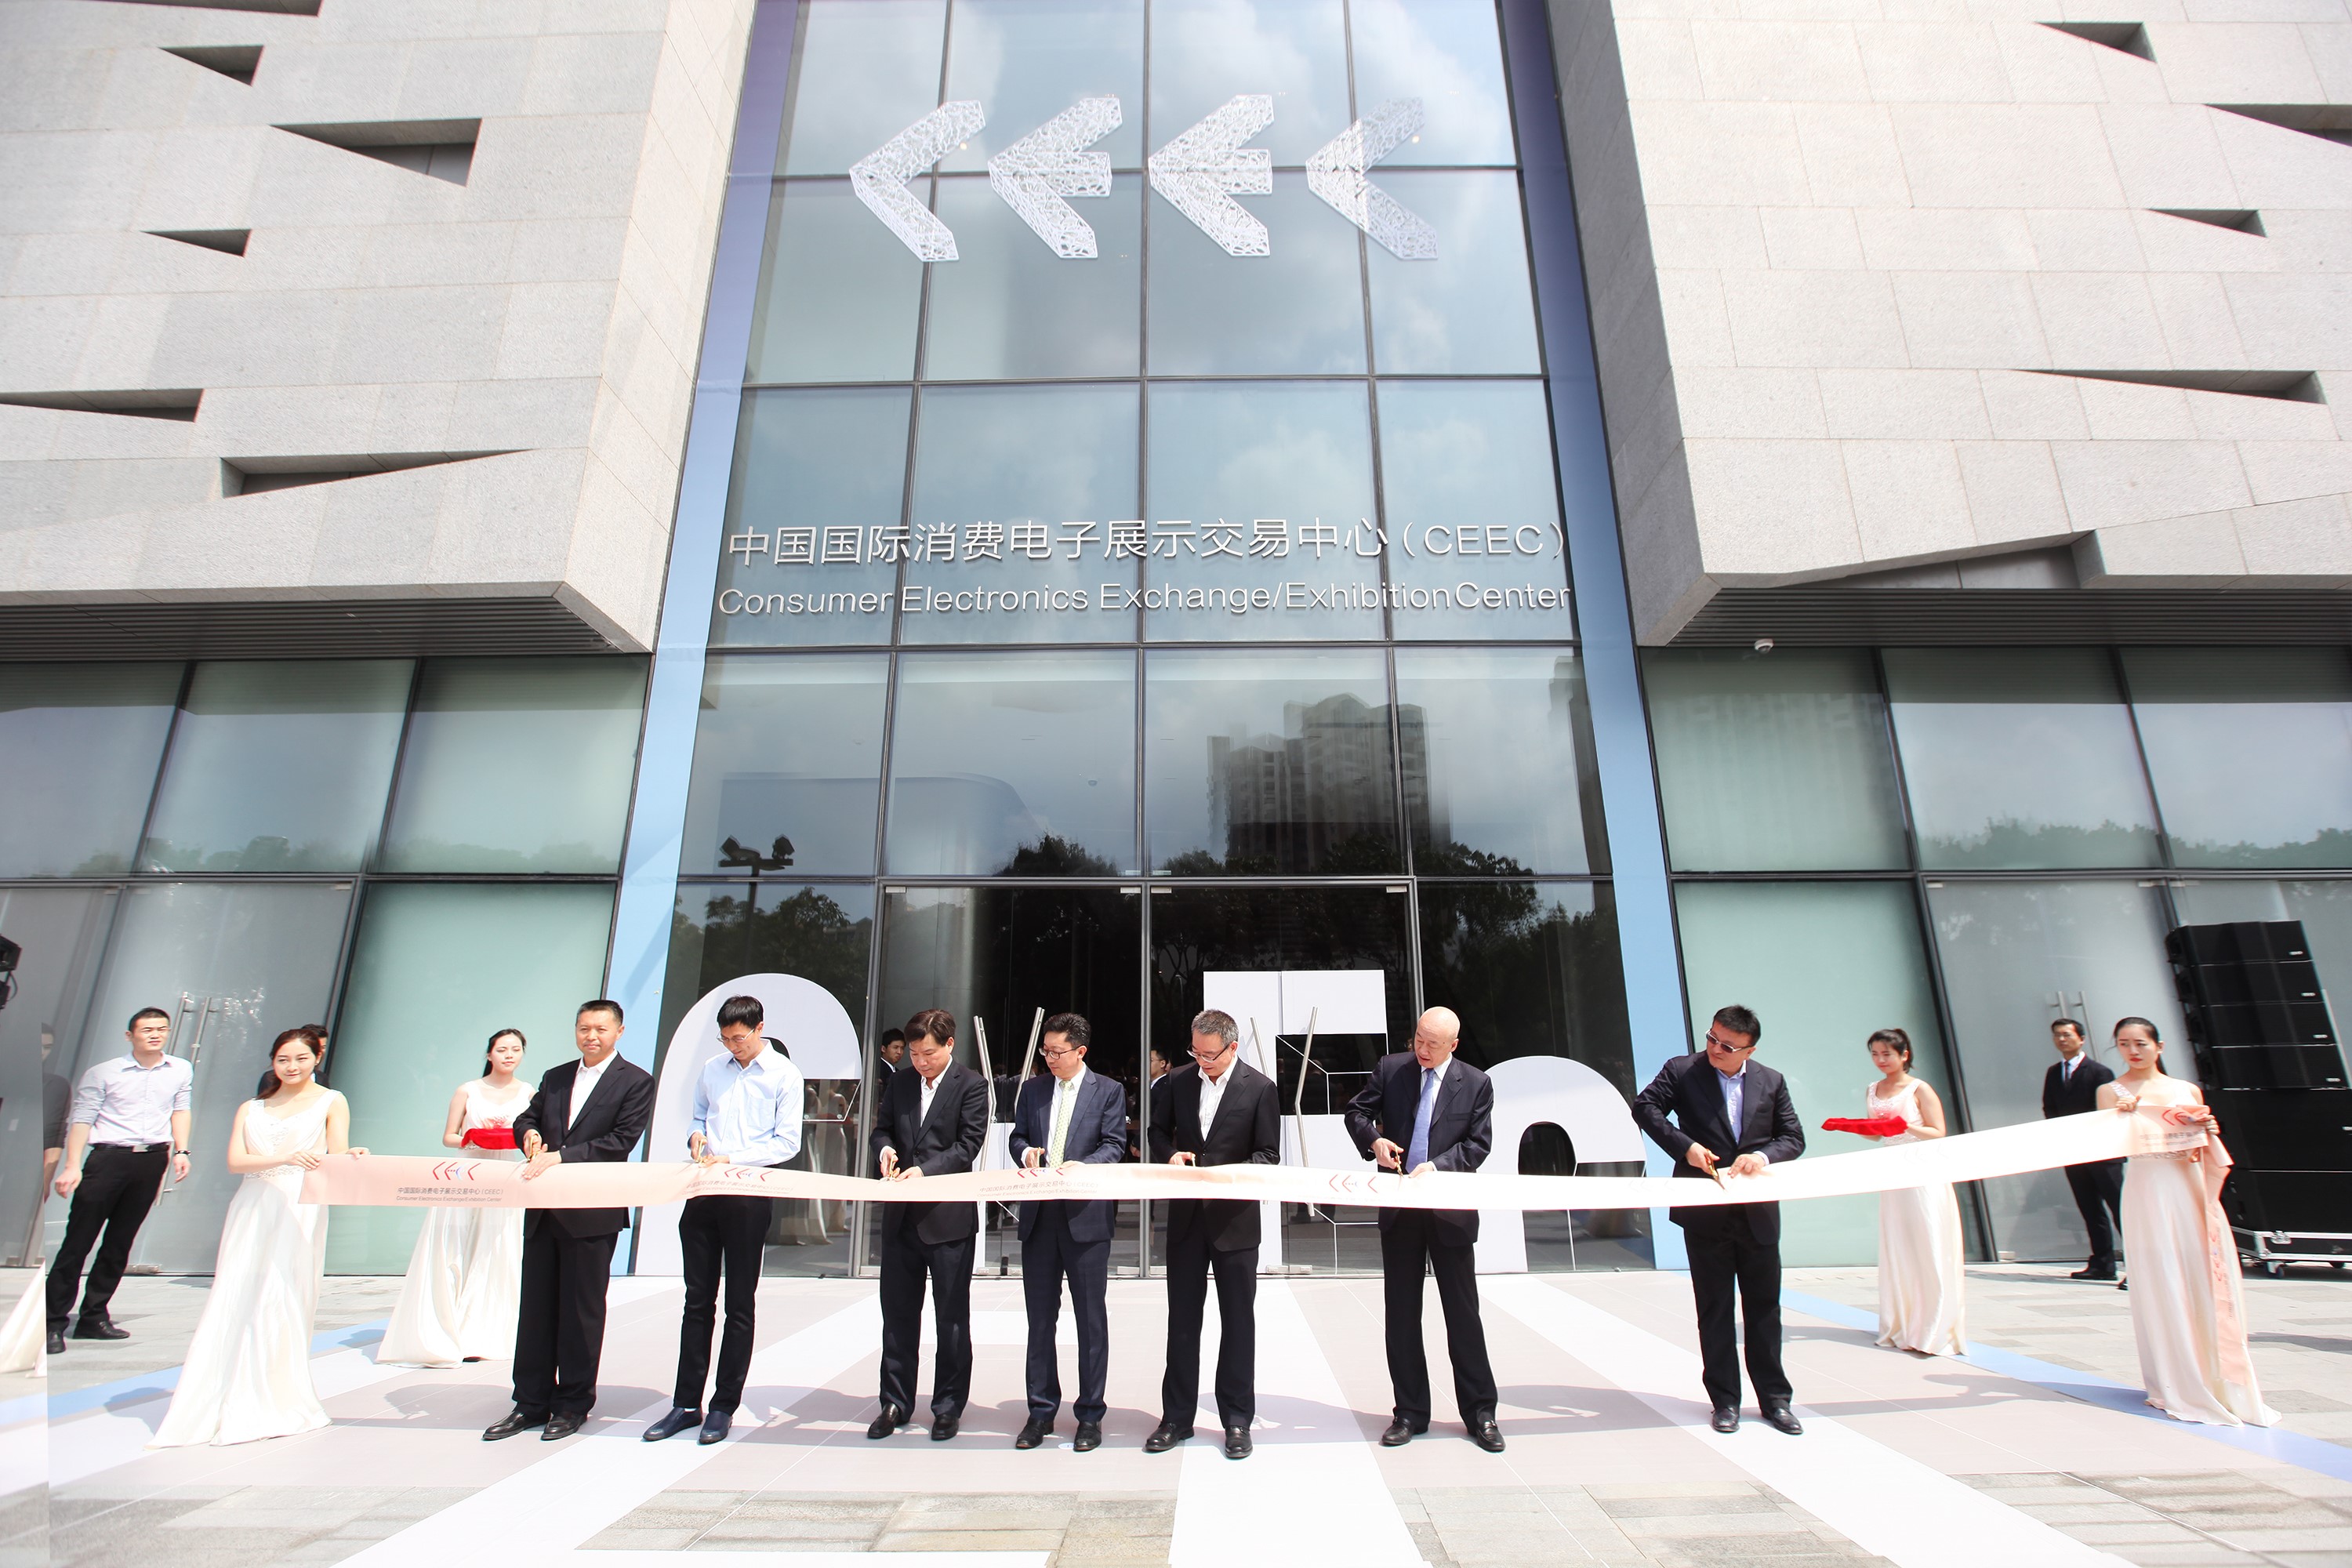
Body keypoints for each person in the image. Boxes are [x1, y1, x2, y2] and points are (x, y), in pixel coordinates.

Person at [150, 1028, 362, 1447]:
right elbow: (236, 1161)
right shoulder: (252, 1108)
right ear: (273, 1062)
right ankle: (220, 1392)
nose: (292, 1067)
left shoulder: (332, 1100)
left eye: (301, 1059)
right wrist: (284, 1156)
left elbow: (336, 1155)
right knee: (237, 1292)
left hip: (299, 1206)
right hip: (252, 1205)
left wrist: (353, 1156)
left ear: (316, 1059)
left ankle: (275, 1395)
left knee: (282, 1294)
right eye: (283, 1059)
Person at [483, 1000, 655, 1443]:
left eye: (600, 1029)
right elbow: (528, 1116)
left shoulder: (635, 1081)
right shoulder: (556, 1076)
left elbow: (620, 1141)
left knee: (581, 1313)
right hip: (543, 1209)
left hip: (593, 1213)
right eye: (583, 1028)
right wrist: (529, 1133)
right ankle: (530, 1402)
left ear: (619, 1032)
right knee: (536, 1310)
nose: (590, 1036)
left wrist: (561, 1156)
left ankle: (573, 1404)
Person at [1632, 1004, 1806, 1436]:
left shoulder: (1771, 1081)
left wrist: (1762, 1156)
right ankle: (1725, 1401)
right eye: (1712, 1038)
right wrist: (1685, 1147)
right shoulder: (1682, 1070)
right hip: (1705, 1212)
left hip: (1757, 1212)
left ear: (1749, 1050)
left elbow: (1793, 1138)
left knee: (1764, 1309)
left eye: (1728, 1046)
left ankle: (1775, 1400)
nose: (1715, 1049)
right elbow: (1645, 1107)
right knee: (1714, 1309)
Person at [2099, 1017, 2277, 1427]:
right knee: (2160, 1277)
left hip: (2188, 1185)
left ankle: (2219, 1379)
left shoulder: (2185, 1089)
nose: (2133, 1051)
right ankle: (2173, 1378)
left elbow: (2201, 1144)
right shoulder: (2112, 1092)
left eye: (2141, 1043)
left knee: (2202, 1273)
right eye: (2124, 1044)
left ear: (2159, 1046)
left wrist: (2209, 1129)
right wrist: (2121, 1120)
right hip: (2146, 1189)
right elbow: (2107, 1146)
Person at [645, 995, 804, 1446]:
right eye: (726, 1039)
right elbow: (698, 1115)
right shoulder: (713, 1069)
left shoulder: (784, 1075)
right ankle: (685, 1404)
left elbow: (787, 1143)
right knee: (696, 1300)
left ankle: (723, 1405)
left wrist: (734, 1158)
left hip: (749, 1195)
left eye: (739, 1038)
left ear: (759, 1028)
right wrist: (696, 1136)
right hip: (703, 1191)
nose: (733, 1046)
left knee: (739, 1303)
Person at [1346, 1007, 1504, 1452]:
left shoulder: (1476, 1083)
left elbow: (1478, 1145)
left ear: (1454, 1045)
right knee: (1401, 1315)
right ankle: (1410, 1413)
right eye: (1418, 1039)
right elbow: (1356, 1112)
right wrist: (1374, 1140)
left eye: (1432, 1044)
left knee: (1463, 1315)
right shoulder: (1392, 1069)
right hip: (1401, 1209)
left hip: (1449, 1210)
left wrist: (1437, 1167)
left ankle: (1481, 1413)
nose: (1422, 1050)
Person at [1146, 1007, 1280, 1461]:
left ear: (1232, 1047)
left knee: (1238, 1323)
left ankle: (1237, 1420)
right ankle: (1175, 1418)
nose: (1201, 1061)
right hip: (1186, 1220)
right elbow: (1157, 1131)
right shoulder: (1177, 1082)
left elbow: (1268, 1155)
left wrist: (1226, 1173)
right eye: (1195, 1052)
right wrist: (1171, 1155)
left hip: (1235, 1224)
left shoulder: (1259, 1088)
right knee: (1182, 1322)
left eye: (1209, 1055)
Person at [1006, 1011, 1127, 1453]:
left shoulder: (1107, 1091)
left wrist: (1085, 1166)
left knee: (1090, 1321)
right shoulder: (1033, 1090)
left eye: (1057, 1052)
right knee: (1040, 1321)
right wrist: (1026, 1152)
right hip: (1040, 1218)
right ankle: (1040, 1412)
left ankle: (1090, 1415)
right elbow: (1017, 1137)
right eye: (1046, 1051)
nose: (1050, 1059)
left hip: (1086, 1220)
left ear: (1081, 1051)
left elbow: (1114, 1145)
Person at [377, 1029, 534, 1368]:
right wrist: (471, 1138)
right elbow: (449, 1136)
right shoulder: (468, 1090)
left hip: (505, 1175)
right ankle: (441, 1332)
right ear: (489, 1054)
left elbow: (533, 1136)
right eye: (502, 1049)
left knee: (496, 1247)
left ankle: (483, 1334)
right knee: (454, 1247)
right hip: (467, 1173)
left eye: (515, 1049)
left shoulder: (529, 1093)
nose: (509, 1055)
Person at [867, 1008, 989, 1443]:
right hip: (901, 1218)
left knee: (951, 1318)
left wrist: (925, 1171)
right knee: (897, 1315)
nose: (920, 1062)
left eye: (929, 1054)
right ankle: (894, 1402)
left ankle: (948, 1406)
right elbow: (881, 1130)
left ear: (950, 1045)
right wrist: (885, 1150)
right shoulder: (900, 1083)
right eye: (914, 1054)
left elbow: (968, 1145)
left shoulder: (971, 1085)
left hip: (947, 1219)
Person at [45, 1007, 192, 1356]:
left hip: (152, 1159)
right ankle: (52, 1323)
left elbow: (181, 1109)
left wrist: (182, 1151)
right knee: (78, 1242)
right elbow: (82, 1119)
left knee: (119, 1244)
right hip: (108, 1159)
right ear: (130, 1035)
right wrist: (72, 1166)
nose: (155, 1035)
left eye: (162, 1029)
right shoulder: (103, 1073)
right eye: (147, 1030)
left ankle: (94, 1317)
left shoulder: (180, 1069)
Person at [1858, 1028, 1963, 1357]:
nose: (1881, 1060)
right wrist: (1859, 1127)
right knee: (1899, 1245)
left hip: (1923, 1173)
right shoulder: (1873, 1089)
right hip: (1894, 1173)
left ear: (1904, 1055)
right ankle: (1902, 1324)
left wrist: (1905, 1126)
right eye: (1875, 1054)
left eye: (1887, 1054)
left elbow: (1938, 1131)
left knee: (1929, 1242)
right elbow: (1876, 1134)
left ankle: (1933, 1328)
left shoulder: (1920, 1088)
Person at [2045, 1018, 2122, 1280]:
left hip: (2103, 1153)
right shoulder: (2054, 1073)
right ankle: (2102, 1264)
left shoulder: (2100, 1072)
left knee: (2120, 1208)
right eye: (2057, 1035)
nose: (2061, 1039)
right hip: (2074, 1152)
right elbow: (2050, 1109)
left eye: (2067, 1034)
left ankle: (2139, 1264)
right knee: (2090, 1209)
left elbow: (2107, 1111)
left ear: (2082, 1039)